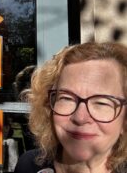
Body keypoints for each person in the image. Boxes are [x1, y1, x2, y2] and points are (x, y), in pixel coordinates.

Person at [14, 42, 127, 173]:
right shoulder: (28, 166)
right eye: (67, 98)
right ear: (49, 106)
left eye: (101, 102)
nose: (80, 117)